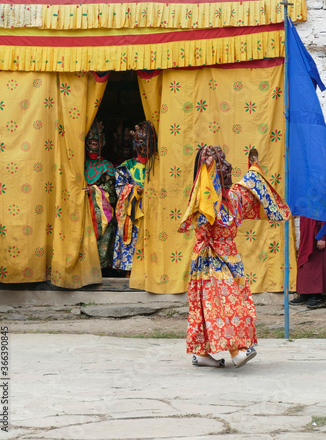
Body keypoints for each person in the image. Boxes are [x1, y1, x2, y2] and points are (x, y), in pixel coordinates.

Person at [178, 145, 291, 369]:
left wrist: (254, 167)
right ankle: (236, 350)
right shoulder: (204, 200)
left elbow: (249, 187)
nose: (229, 167)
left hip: (231, 258)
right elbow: (202, 218)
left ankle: (201, 353)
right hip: (211, 259)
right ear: (208, 173)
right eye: (221, 164)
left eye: (226, 162)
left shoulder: (233, 198)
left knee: (221, 304)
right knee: (225, 303)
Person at [113, 120, 157, 272]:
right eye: (140, 141)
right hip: (134, 213)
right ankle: (130, 273)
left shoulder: (159, 165)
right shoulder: (126, 166)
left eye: (147, 142)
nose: (143, 145)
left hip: (153, 213)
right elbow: (119, 189)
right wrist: (132, 191)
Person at [84, 118, 117, 269]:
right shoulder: (78, 163)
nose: (93, 141)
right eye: (90, 138)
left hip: (102, 213)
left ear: (103, 141)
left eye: (97, 139)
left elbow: (112, 191)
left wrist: (93, 190)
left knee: (103, 241)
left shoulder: (107, 166)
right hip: (83, 211)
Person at [290, 217, 326, 309]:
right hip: (306, 235)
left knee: (315, 266)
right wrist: (302, 236)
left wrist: (322, 237)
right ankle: (305, 293)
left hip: (317, 235)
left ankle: (316, 295)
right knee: (304, 264)